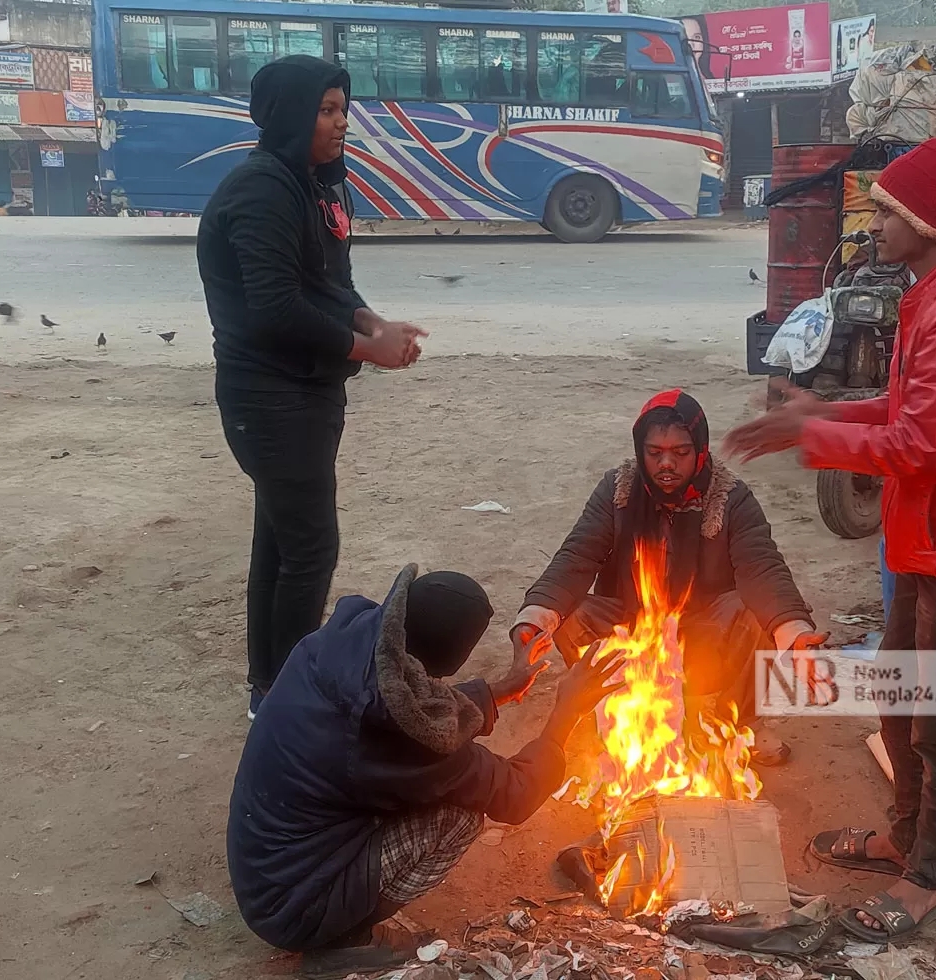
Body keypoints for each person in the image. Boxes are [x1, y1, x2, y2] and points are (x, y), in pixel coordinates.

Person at [724, 138, 936, 939]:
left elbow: (913, 448)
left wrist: (813, 439)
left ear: (930, 222)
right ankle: (904, 840)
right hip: (931, 540)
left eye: (887, 209)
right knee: (900, 709)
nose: (872, 222)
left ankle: (928, 876)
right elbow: (903, 411)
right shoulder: (931, 289)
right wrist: (821, 415)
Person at [228, 564, 623, 979]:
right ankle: (342, 941)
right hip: (291, 908)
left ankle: (337, 909)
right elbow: (515, 794)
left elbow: (409, 696)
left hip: (264, 862)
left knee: (420, 794)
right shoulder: (402, 738)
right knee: (459, 818)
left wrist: (499, 691)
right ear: (452, 661)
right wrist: (566, 711)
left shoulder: (342, 645)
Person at [197, 55, 427, 720]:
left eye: (342, 109)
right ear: (292, 116)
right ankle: (288, 701)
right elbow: (275, 308)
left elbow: (329, 282)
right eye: (326, 111)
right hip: (268, 399)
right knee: (310, 547)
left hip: (308, 392)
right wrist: (368, 351)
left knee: (279, 537)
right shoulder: (262, 190)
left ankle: (267, 689)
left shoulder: (317, 184)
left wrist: (374, 322)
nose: (341, 123)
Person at [510, 390, 823, 765]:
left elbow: (762, 567)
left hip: (703, 634)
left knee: (756, 611)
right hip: (630, 630)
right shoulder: (618, 491)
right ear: (640, 451)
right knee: (566, 611)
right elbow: (576, 556)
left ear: (701, 450)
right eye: (654, 453)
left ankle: (735, 723)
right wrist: (534, 619)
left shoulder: (730, 497)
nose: (667, 464)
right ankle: (615, 712)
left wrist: (794, 631)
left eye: (681, 452)